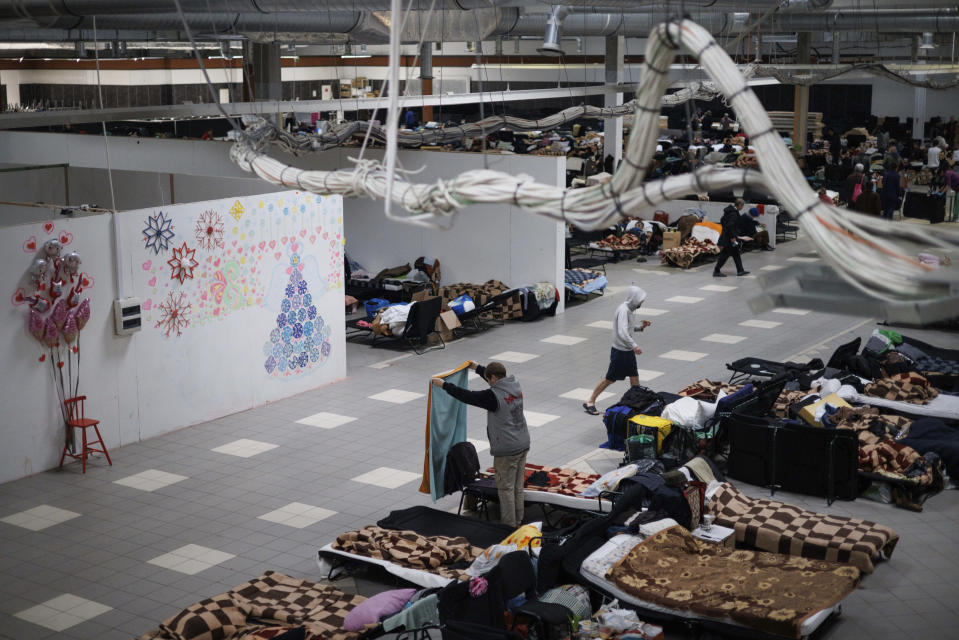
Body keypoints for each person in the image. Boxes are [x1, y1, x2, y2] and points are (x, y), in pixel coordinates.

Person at [432, 361, 529, 528]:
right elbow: (496, 382)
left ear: (492, 378)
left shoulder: (493, 397)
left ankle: (509, 527)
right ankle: (519, 520)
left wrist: (444, 385)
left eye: (488, 378)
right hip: (523, 442)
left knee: (505, 489)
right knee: (517, 486)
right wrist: (477, 368)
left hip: (507, 449)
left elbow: (469, 396)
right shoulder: (514, 384)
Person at [583, 286, 651, 416]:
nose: (642, 303)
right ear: (634, 299)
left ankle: (635, 403)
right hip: (620, 352)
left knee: (634, 377)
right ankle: (590, 401)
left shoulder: (629, 310)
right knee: (610, 379)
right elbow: (622, 332)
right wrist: (635, 345)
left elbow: (628, 329)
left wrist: (641, 327)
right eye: (640, 300)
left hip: (627, 350)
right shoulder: (623, 310)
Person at [714, 198, 750, 277]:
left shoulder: (729, 211)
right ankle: (716, 271)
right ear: (739, 205)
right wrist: (732, 237)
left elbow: (722, 220)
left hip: (728, 236)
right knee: (725, 255)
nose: (742, 207)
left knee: (736, 253)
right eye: (742, 205)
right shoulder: (733, 213)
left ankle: (740, 270)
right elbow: (730, 226)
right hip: (729, 238)